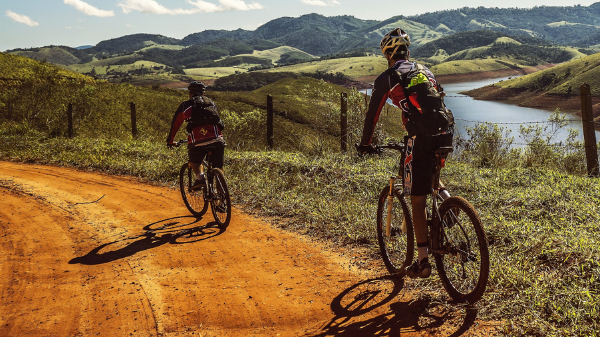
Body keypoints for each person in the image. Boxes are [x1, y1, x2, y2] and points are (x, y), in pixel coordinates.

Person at [357, 28, 453, 279]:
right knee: (431, 177)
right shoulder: (425, 70)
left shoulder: (387, 78)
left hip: (419, 138)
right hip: (445, 133)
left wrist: (365, 143)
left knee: (417, 199)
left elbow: (372, 115)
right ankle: (450, 203)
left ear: (387, 55)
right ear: (407, 52)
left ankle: (422, 261)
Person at [167, 81, 225, 190]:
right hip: (217, 139)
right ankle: (222, 198)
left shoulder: (186, 105)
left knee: (194, 160)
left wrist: (170, 140)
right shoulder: (211, 103)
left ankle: (200, 178)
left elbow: (176, 123)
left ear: (190, 93)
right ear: (203, 93)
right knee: (218, 167)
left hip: (198, 141)